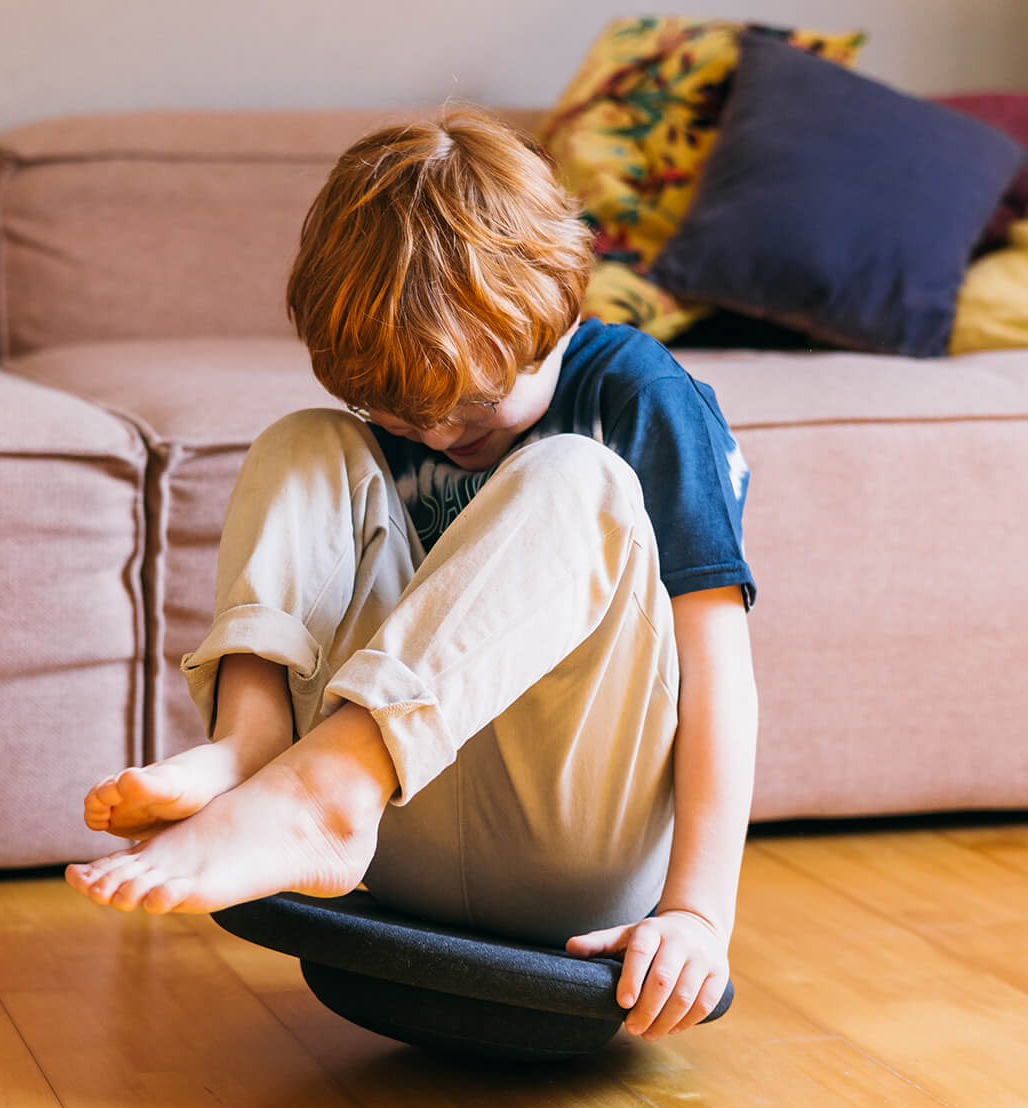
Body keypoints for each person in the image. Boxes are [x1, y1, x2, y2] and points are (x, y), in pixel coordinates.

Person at [65, 108, 758, 1042]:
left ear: (557, 309)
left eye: (472, 403)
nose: (436, 434)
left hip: (573, 843)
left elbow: (718, 672)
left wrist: (698, 914)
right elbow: (368, 447)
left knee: (572, 477)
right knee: (305, 442)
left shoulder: (641, 396)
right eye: (396, 409)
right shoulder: (392, 419)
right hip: (395, 839)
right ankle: (258, 754)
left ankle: (323, 794)